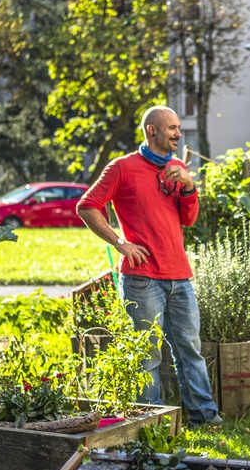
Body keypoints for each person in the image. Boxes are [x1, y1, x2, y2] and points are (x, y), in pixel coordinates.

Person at [77, 106, 222, 427]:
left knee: (191, 349)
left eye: (179, 127)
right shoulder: (122, 168)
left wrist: (188, 185)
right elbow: (86, 206)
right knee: (148, 355)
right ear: (151, 131)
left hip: (180, 276)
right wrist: (119, 243)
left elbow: (189, 219)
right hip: (142, 279)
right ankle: (152, 421)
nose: (178, 133)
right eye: (171, 128)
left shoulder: (177, 166)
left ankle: (203, 416)